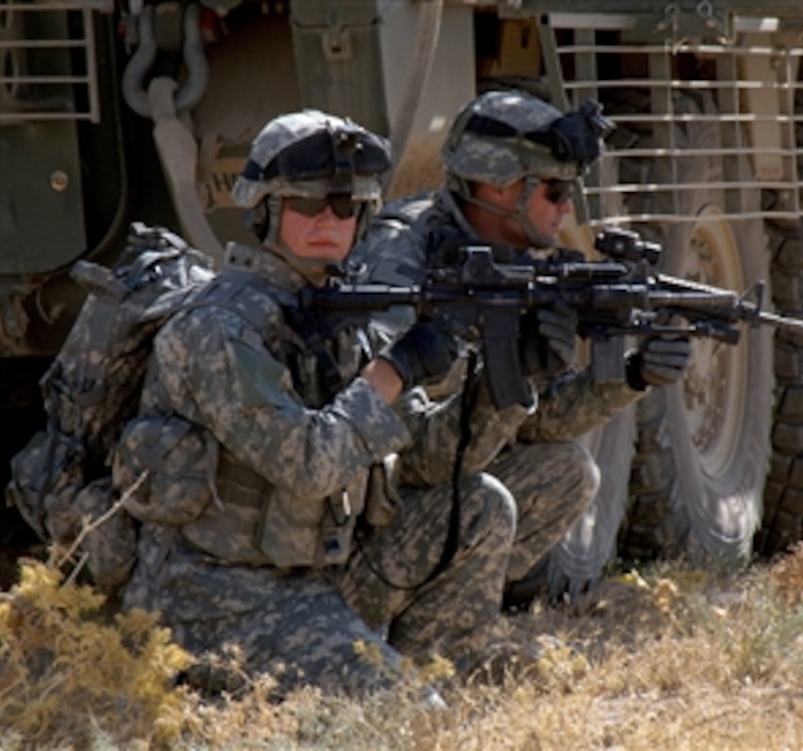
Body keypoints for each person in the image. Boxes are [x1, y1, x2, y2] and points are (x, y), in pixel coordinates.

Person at [113, 109, 521, 699]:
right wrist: (395, 369)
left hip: (316, 573)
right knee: (413, 716)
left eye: (347, 207)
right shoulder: (222, 328)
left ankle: (414, 675)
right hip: (213, 602)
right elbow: (307, 466)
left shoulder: (331, 310)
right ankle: (389, 693)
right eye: (307, 205)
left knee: (479, 504)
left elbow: (428, 463)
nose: (330, 219)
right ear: (267, 211)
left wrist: (510, 377)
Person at [347, 89, 692, 609]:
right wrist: (500, 386)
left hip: (433, 489)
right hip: (370, 517)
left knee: (568, 470)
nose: (568, 206)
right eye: (555, 190)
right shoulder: (400, 264)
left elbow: (535, 425)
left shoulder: (513, 262)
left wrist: (632, 376)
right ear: (499, 188)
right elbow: (408, 458)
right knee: (488, 500)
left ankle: (448, 616)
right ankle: (421, 632)